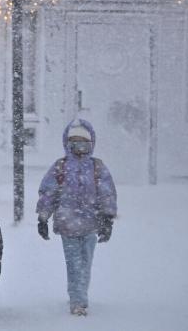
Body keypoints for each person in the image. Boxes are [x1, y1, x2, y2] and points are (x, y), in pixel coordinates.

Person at [36, 119, 118, 316]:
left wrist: (107, 219)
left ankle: (79, 294)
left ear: (91, 143)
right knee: (74, 264)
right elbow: (48, 193)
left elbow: (107, 193)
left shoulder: (97, 167)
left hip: (91, 224)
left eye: (84, 142)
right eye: (75, 142)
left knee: (85, 263)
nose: (79, 146)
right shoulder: (61, 166)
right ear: (68, 143)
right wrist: (43, 218)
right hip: (68, 225)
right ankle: (78, 301)